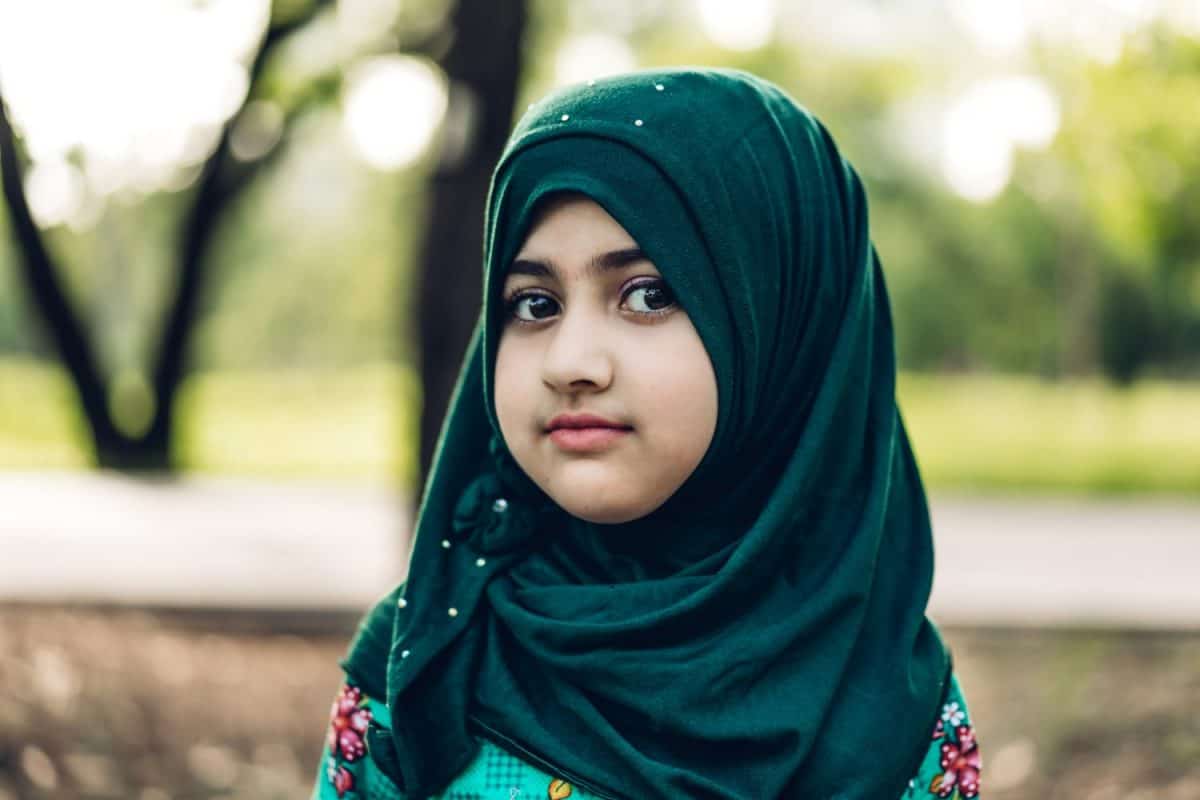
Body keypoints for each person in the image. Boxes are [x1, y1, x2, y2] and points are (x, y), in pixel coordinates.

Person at [312, 67, 982, 800]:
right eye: (534, 303)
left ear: (783, 328)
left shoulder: (890, 703)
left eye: (649, 294)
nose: (571, 363)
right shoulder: (434, 653)